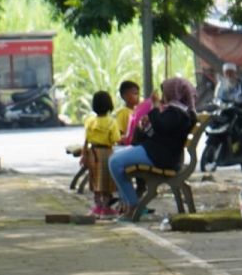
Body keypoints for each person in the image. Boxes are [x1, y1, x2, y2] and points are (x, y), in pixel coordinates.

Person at [108, 76, 196, 220]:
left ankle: (132, 204)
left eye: (165, 92)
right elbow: (162, 132)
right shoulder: (179, 111)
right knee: (116, 154)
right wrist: (147, 127)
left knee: (114, 162)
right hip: (158, 151)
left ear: (173, 92)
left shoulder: (178, 113)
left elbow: (162, 126)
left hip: (160, 156)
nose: (163, 96)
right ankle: (128, 202)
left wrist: (155, 107)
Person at [81, 90, 121, 217]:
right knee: (107, 182)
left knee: (95, 180)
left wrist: (84, 155)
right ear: (110, 105)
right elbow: (115, 139)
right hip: (107, 153)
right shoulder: (112, 122)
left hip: (92, 153)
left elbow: (86, 140)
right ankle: (106, 208)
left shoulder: (89, 121)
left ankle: (97, 207)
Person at [114, 80, 141, 144]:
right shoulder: (123, 112)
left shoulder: (138, 111)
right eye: (135, 94)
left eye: (138, 94)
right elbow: (119, 133)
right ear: (125, 96)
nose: (138, 97)